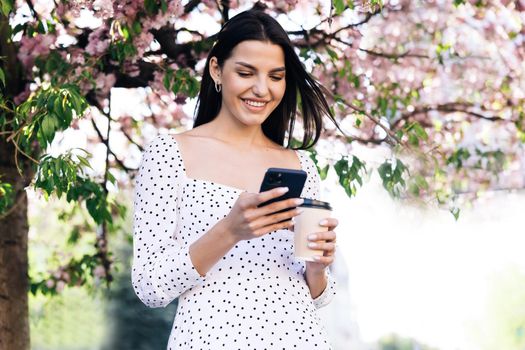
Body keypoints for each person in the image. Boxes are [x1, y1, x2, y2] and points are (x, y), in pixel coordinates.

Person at [132, 8, 342, 350]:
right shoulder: (169, 153)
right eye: (246, 73)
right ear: (217, 69)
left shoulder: (300, 164)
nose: (262, 89)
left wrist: (318, 267)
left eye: (276, 76)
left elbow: (317, 295)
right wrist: (230, 230)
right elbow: (150, 287)